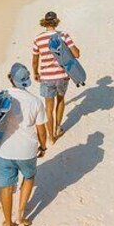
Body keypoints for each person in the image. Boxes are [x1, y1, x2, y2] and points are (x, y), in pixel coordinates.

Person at [0, 63, 47, 226]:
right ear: (27, 81)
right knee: (29, 178)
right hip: (27, 151)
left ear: (10, 78)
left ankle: (8, 224)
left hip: (3, 151)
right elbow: (41, 131)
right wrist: (43, 146)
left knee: (6, 187)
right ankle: (21, 215)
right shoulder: (36, 102)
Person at [31, 11, 80, 144]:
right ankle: (58, 128)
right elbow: (76, 54)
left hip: (46, 77)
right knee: (60, 100)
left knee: (48, 107)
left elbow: (35, 59)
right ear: (56, 21)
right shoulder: (63, 35)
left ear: (45, 22)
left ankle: (51, 137)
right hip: (62, 76)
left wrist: (35, 73)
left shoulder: (38, 39)